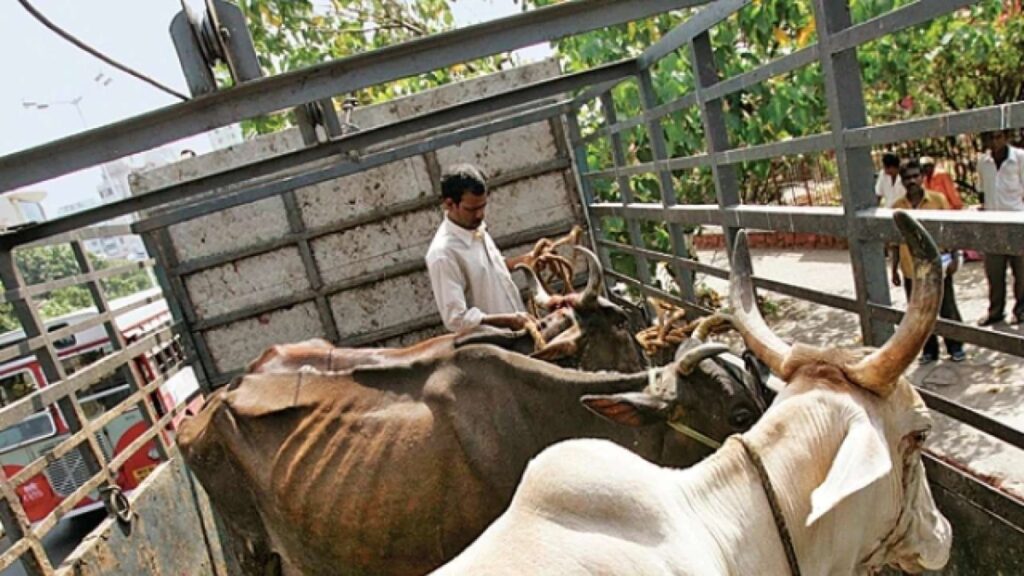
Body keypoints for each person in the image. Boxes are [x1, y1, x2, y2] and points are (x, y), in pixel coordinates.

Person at [425, 164, 532, 334]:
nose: (480, 215)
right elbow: (456, 319)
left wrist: (526, 261)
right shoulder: (442, 254)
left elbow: (490, 270)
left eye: (483, 207)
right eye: (472, 209)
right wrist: (508, 320)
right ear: (449, 204)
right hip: (494, 345)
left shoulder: (475, 228)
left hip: (518, 334)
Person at [890, 159, 965, 363]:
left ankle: (955, 347)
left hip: (938, 267)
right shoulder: (897, 207)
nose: (912, 181)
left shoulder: (938, 200)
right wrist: (894, 269)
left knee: (947, 308)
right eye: (907, 178)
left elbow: (950, 231)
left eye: (916, 176)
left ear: (922, 177)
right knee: (918, 313)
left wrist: (955, 257)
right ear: (902, 181)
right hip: (910, 269)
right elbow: (894, 242)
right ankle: (929, 351)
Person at [977, 130, 1024, 326]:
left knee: (1021, 271)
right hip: (993, 224)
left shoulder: (1019, 158)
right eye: (990, 138)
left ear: (1006, 137)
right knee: (994, 272)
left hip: (1017, 223)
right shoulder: (983, 162)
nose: (994, 142)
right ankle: (995, 311)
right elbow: (982, 191)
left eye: (998, 137)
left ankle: (1021, 310)